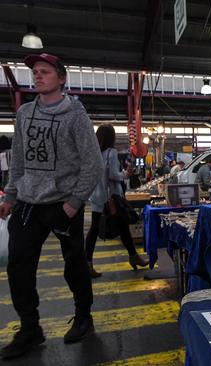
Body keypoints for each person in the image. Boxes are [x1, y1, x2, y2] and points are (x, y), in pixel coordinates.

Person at [0, 53, 103, 359]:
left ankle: (84, 317)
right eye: (35, 72)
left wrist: (73, 204)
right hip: (29, 202)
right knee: (18, 264)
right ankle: (31, 329)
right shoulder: (24, 113)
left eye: (44, 71)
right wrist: (10, 195)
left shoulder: (76, 116)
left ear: (61, 78)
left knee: (74, 264)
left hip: (63, 204)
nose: (37, 76)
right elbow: (18, 158)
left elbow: (92, 163)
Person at [86, 124, 149, 278]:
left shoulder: (93, 154)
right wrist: (126, 174)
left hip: (96, 197)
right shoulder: (111, 153)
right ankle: (87, 264)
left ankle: (133, 257)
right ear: (111, 138)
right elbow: (113, 175)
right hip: (111, 198)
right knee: (100, 229)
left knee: (116, 227)